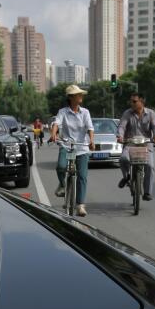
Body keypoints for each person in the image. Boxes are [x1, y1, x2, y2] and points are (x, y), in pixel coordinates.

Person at [49, 84, 95, 216]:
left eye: (81, 94)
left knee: (82, 176)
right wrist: (53, 134)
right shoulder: (63, 112)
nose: (81, 96)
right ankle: (63, 185)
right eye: (78, 94)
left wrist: (91, 141)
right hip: (67, 146)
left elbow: (90, 128)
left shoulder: (85, 112)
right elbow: (56, 123)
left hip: (81, 147)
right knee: (61, 167)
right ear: (71, 97)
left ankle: (80, 205)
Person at [116, 92, 155, 201]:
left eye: (134, 101)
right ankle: (126, 177)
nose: (131, 103)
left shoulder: (151, 113)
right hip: (130, 143)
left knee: (150, 166)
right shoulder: (127, 113)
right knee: (123, 159)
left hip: (146, 145)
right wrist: (120, 136)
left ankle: (147, 192)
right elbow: (122, 126)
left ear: (142, 102)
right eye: (131, 101)